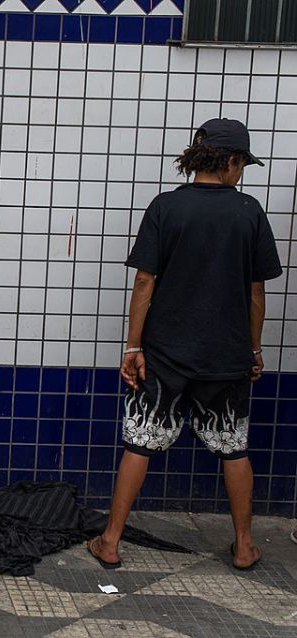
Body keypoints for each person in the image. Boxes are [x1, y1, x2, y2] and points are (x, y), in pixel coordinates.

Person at [88, 118, 282, 572]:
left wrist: (133, 346)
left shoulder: (165, 208)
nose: (241, 173)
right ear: (231, 160)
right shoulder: (250, 211)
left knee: (140, 443)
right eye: (242, 165)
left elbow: (143, 280)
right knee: (233, 448)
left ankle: (111, 541)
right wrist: (253, 350)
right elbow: (257, 291)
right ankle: (243, 546)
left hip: (166, 353)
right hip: (226, 356)